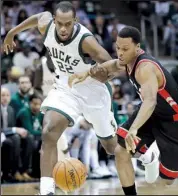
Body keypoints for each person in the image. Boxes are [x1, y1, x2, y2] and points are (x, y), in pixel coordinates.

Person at [3, 2, 118, 195]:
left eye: (68, 24)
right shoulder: (47, 26)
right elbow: (38, 17)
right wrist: (12, 32)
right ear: (54, 21)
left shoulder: (86, 40)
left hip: (93, 91)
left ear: (75, 21)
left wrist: (101, 73)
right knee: (49, 132)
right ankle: (46, 190)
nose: (63, 29)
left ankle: (147, 153)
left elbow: (111, 65)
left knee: (111, 148)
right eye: (60, 24)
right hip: (66, 87)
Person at [69, 26, 178, 195]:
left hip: (176, 121)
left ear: (137, 47)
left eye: (125, 49)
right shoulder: (127, 61)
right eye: (118, 48)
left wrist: (134, 129)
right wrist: (86, 72)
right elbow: (113, 65)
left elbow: (150, 101)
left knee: (168, 180)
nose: (120, 53)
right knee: (120, 151)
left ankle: (150, 155)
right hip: (151, 114)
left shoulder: (145, 68)